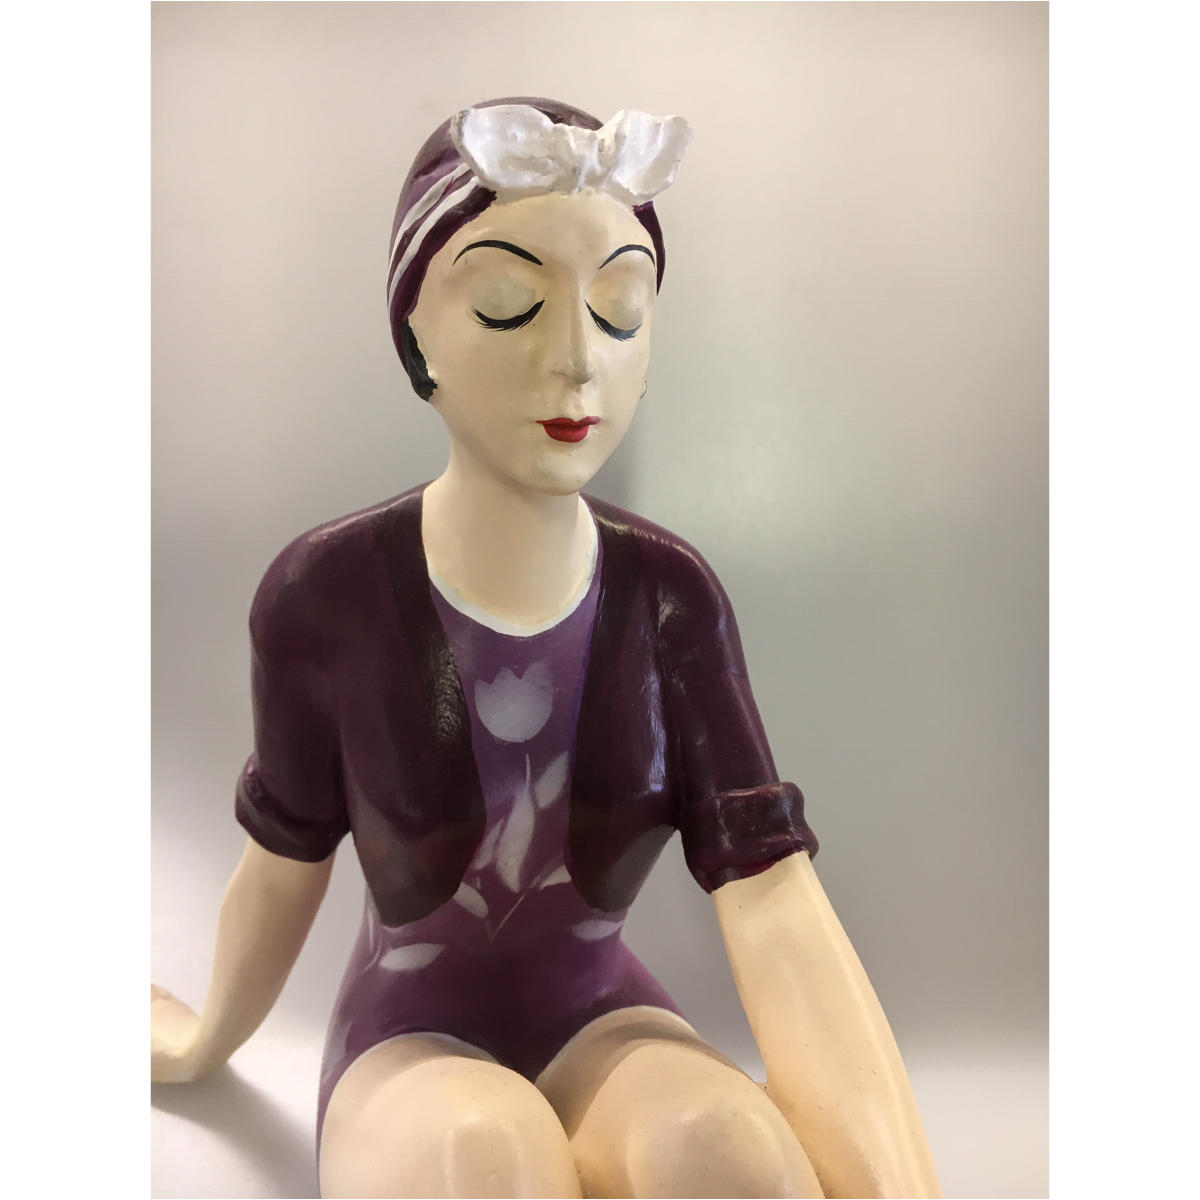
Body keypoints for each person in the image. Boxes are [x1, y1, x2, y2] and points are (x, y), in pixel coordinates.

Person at [152, 97, 941, 1199]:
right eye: (510, 305)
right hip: (410, 1045)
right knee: (489, 1158)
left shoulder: (671, 601)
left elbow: (773, 902)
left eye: (619, 308)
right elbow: (285, 861)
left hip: (604, 1023)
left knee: (731, 1151)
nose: (575, 358)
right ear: (414, 334)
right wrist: (203, 1043)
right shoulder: (324, 599)